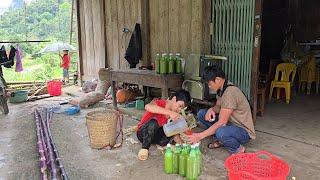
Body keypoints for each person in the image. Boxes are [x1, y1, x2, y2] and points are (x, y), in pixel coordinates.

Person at [187, 66, 255, 154]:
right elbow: (218, 107)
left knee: (220, 131)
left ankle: (238, 149)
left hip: (243, 131)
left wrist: (199, 136)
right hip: (230, 124)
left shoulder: (230, 93)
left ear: (218, 80)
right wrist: (211, 109)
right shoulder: (221, 89)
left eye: (210, 83)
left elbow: (222, 123)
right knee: (202, 114)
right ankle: (221, 140)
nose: (209, 86)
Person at [137, 90, 191, 161]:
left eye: (182, 108)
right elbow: (148, 106)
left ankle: (160, 143)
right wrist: (170, 113)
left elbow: (174, 133)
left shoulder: (174, 115)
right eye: (179, 106)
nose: (179, 110)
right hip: (143, 134)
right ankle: (144, 148)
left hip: (155, 137)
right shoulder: (159, 103)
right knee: (153, 123)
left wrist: (183, 145)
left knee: (172, 129)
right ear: (174, 99)